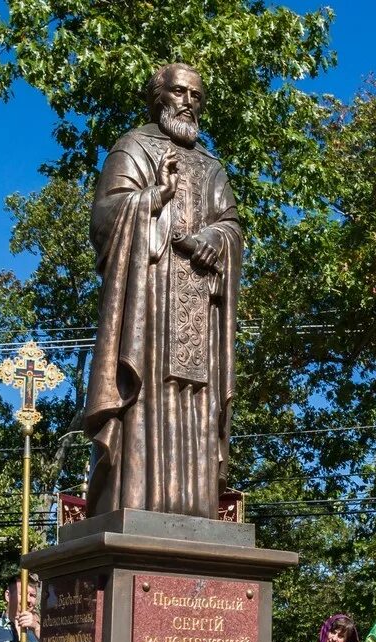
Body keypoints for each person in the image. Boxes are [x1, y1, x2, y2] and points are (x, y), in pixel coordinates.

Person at [84, 62, 243, 517]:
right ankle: (135, 504)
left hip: (199, 314)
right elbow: (104, 217)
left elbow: (231, 225)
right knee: (144, 405)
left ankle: (193, 512)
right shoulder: (132, 147)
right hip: (148, 312)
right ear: (159, 98)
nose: (188, 102)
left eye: (196, 95)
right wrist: (155, 196)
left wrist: (216, 239)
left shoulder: (211, 167)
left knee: (195, 408)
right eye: (179, 91)